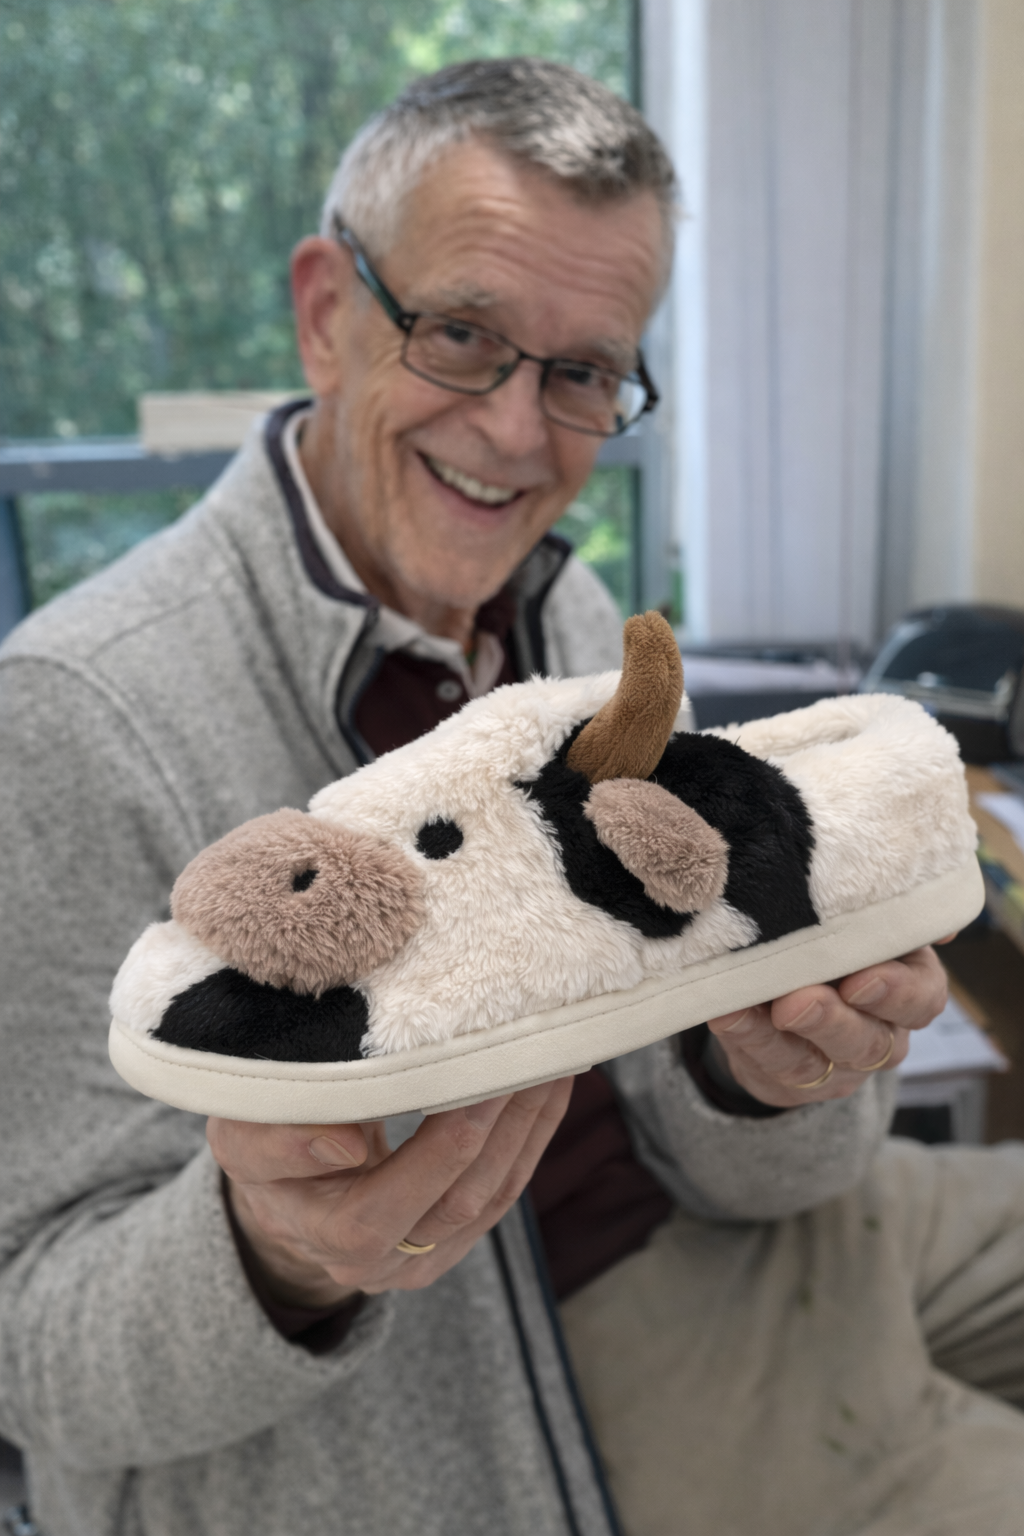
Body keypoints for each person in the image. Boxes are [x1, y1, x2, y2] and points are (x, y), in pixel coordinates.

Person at [0, 57, 1019, 1536]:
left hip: (777, 1226)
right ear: (326, 311)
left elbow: (761, 1157)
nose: (519, 436)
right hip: (540, 1392)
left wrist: (768, 1074)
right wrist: (282, 1254)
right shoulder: (69, 717)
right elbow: (31, 1351)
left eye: (585, 373)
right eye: (464, 335)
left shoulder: (574, 623)